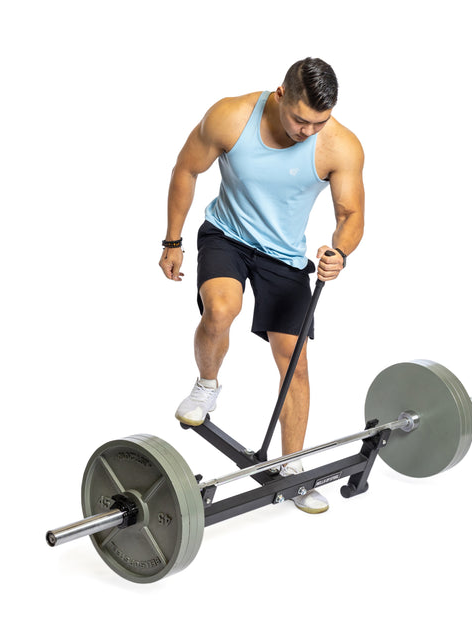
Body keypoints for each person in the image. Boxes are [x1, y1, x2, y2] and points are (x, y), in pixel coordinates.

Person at [159, 57, 364, 513]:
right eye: (300, 119)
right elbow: (186, 169)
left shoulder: (340, 146)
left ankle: (293, 468)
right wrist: (172, 240)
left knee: (294, 360)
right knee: (220, 309)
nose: (308, 131)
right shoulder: (231, 117)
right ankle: (207, 385)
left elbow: (350, 216)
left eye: (319, 122)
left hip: (284, 256)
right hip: (226, 235)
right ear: (280, 94)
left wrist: (339, 253)